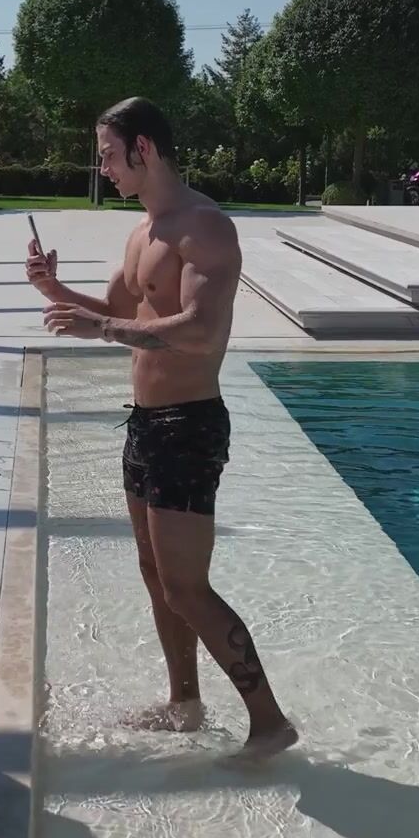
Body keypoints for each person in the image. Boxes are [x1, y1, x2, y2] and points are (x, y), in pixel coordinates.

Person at [28, 97, 297, 760]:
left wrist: (102, 327)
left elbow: (200, 331)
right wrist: (55, 292)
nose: (103, 169)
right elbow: (118, 309)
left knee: (187, 588)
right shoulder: (142, 233)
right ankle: (185, 704)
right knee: (156, 573)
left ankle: (269, 722)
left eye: (108, 156)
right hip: (146, 423)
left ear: (143, 149)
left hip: (188, 425)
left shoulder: (204, 228)